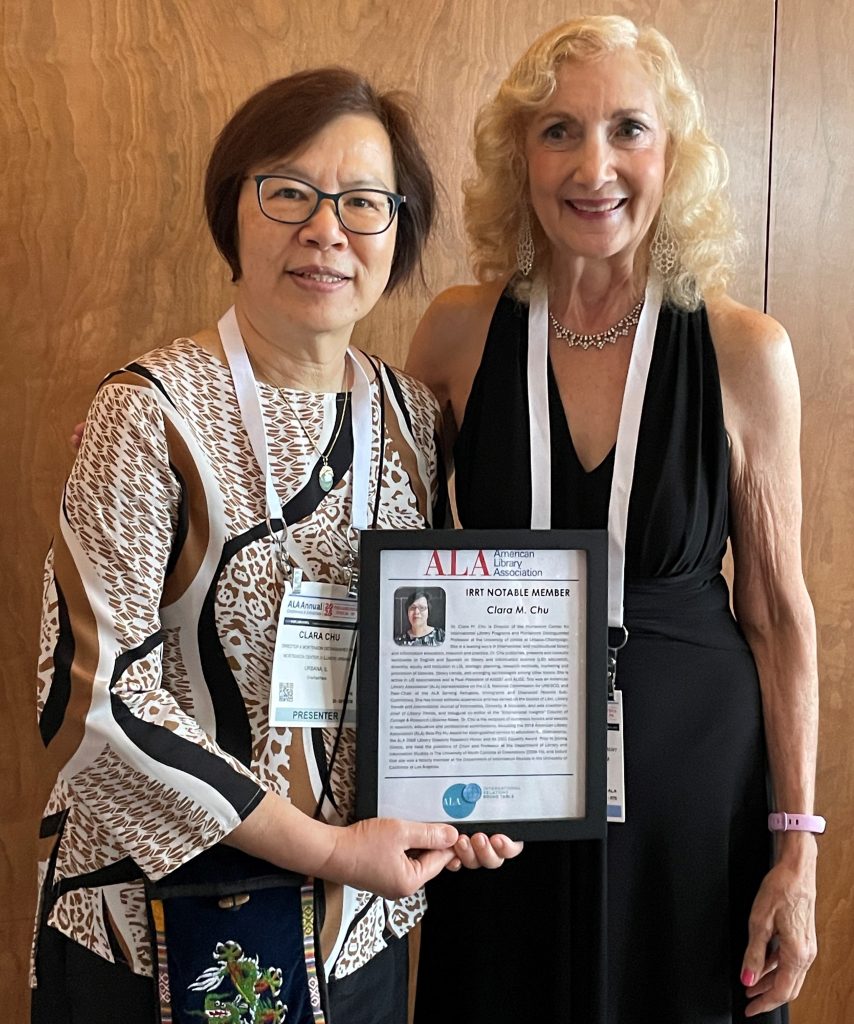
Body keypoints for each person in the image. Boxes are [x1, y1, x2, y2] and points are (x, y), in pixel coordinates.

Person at [30, 68, 521, 1024]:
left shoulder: (417, 421)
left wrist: (474, 793)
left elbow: (437, 651)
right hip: (150, 933)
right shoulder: (147, 413)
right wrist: (332, 848)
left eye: (364, 202)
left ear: (398, 230)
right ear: (234, 213)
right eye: (289, 191)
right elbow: (90, 703)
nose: (327, 229)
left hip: (355, 933)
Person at [407, 16, 819, 1024]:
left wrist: (795, 848)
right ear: (519, 155)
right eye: (557, 131)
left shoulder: (741, 347)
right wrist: (165, 422)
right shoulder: (457, 331)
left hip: (691, 786)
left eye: (626, 128)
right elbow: (368, 530)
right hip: (498, 781)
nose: (594, 166)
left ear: (669, 154)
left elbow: (776, 614)